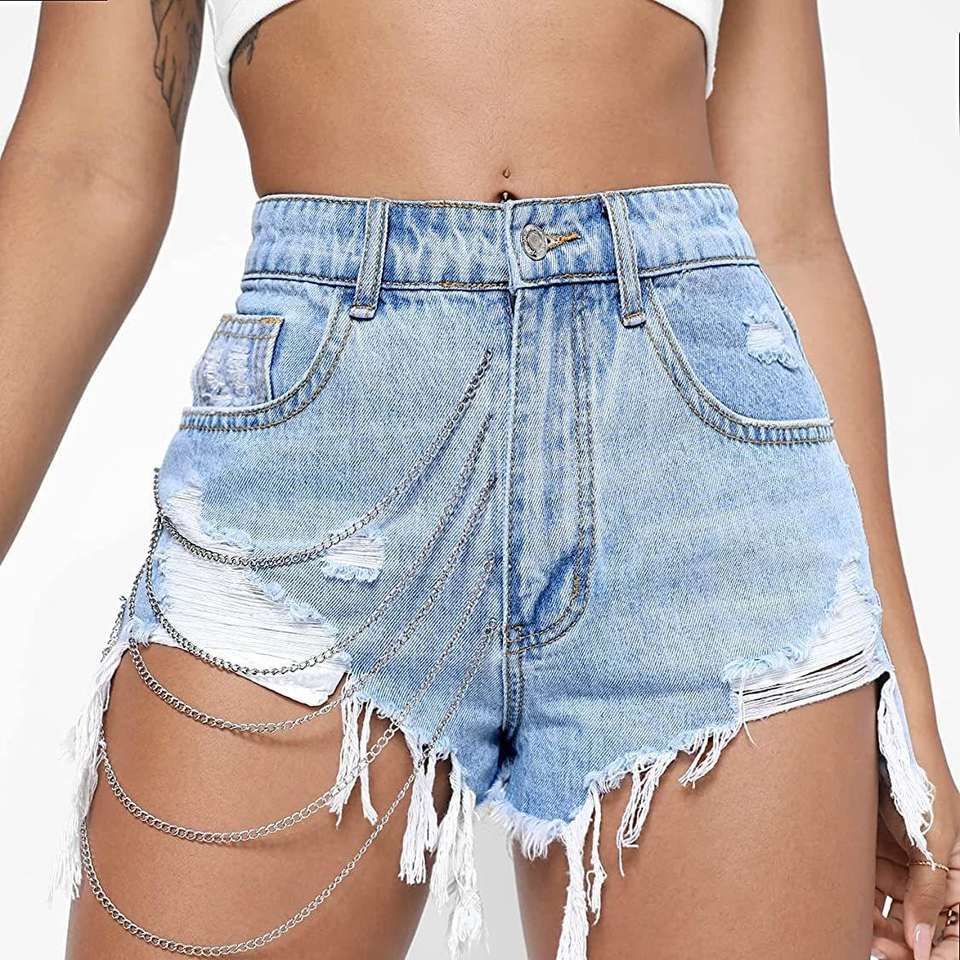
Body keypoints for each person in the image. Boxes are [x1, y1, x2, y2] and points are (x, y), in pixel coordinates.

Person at [1, 2, 956, 958]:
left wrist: (902, 690)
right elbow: (83, 166)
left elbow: (786, 228)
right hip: (322, 465)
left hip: (705, 466)